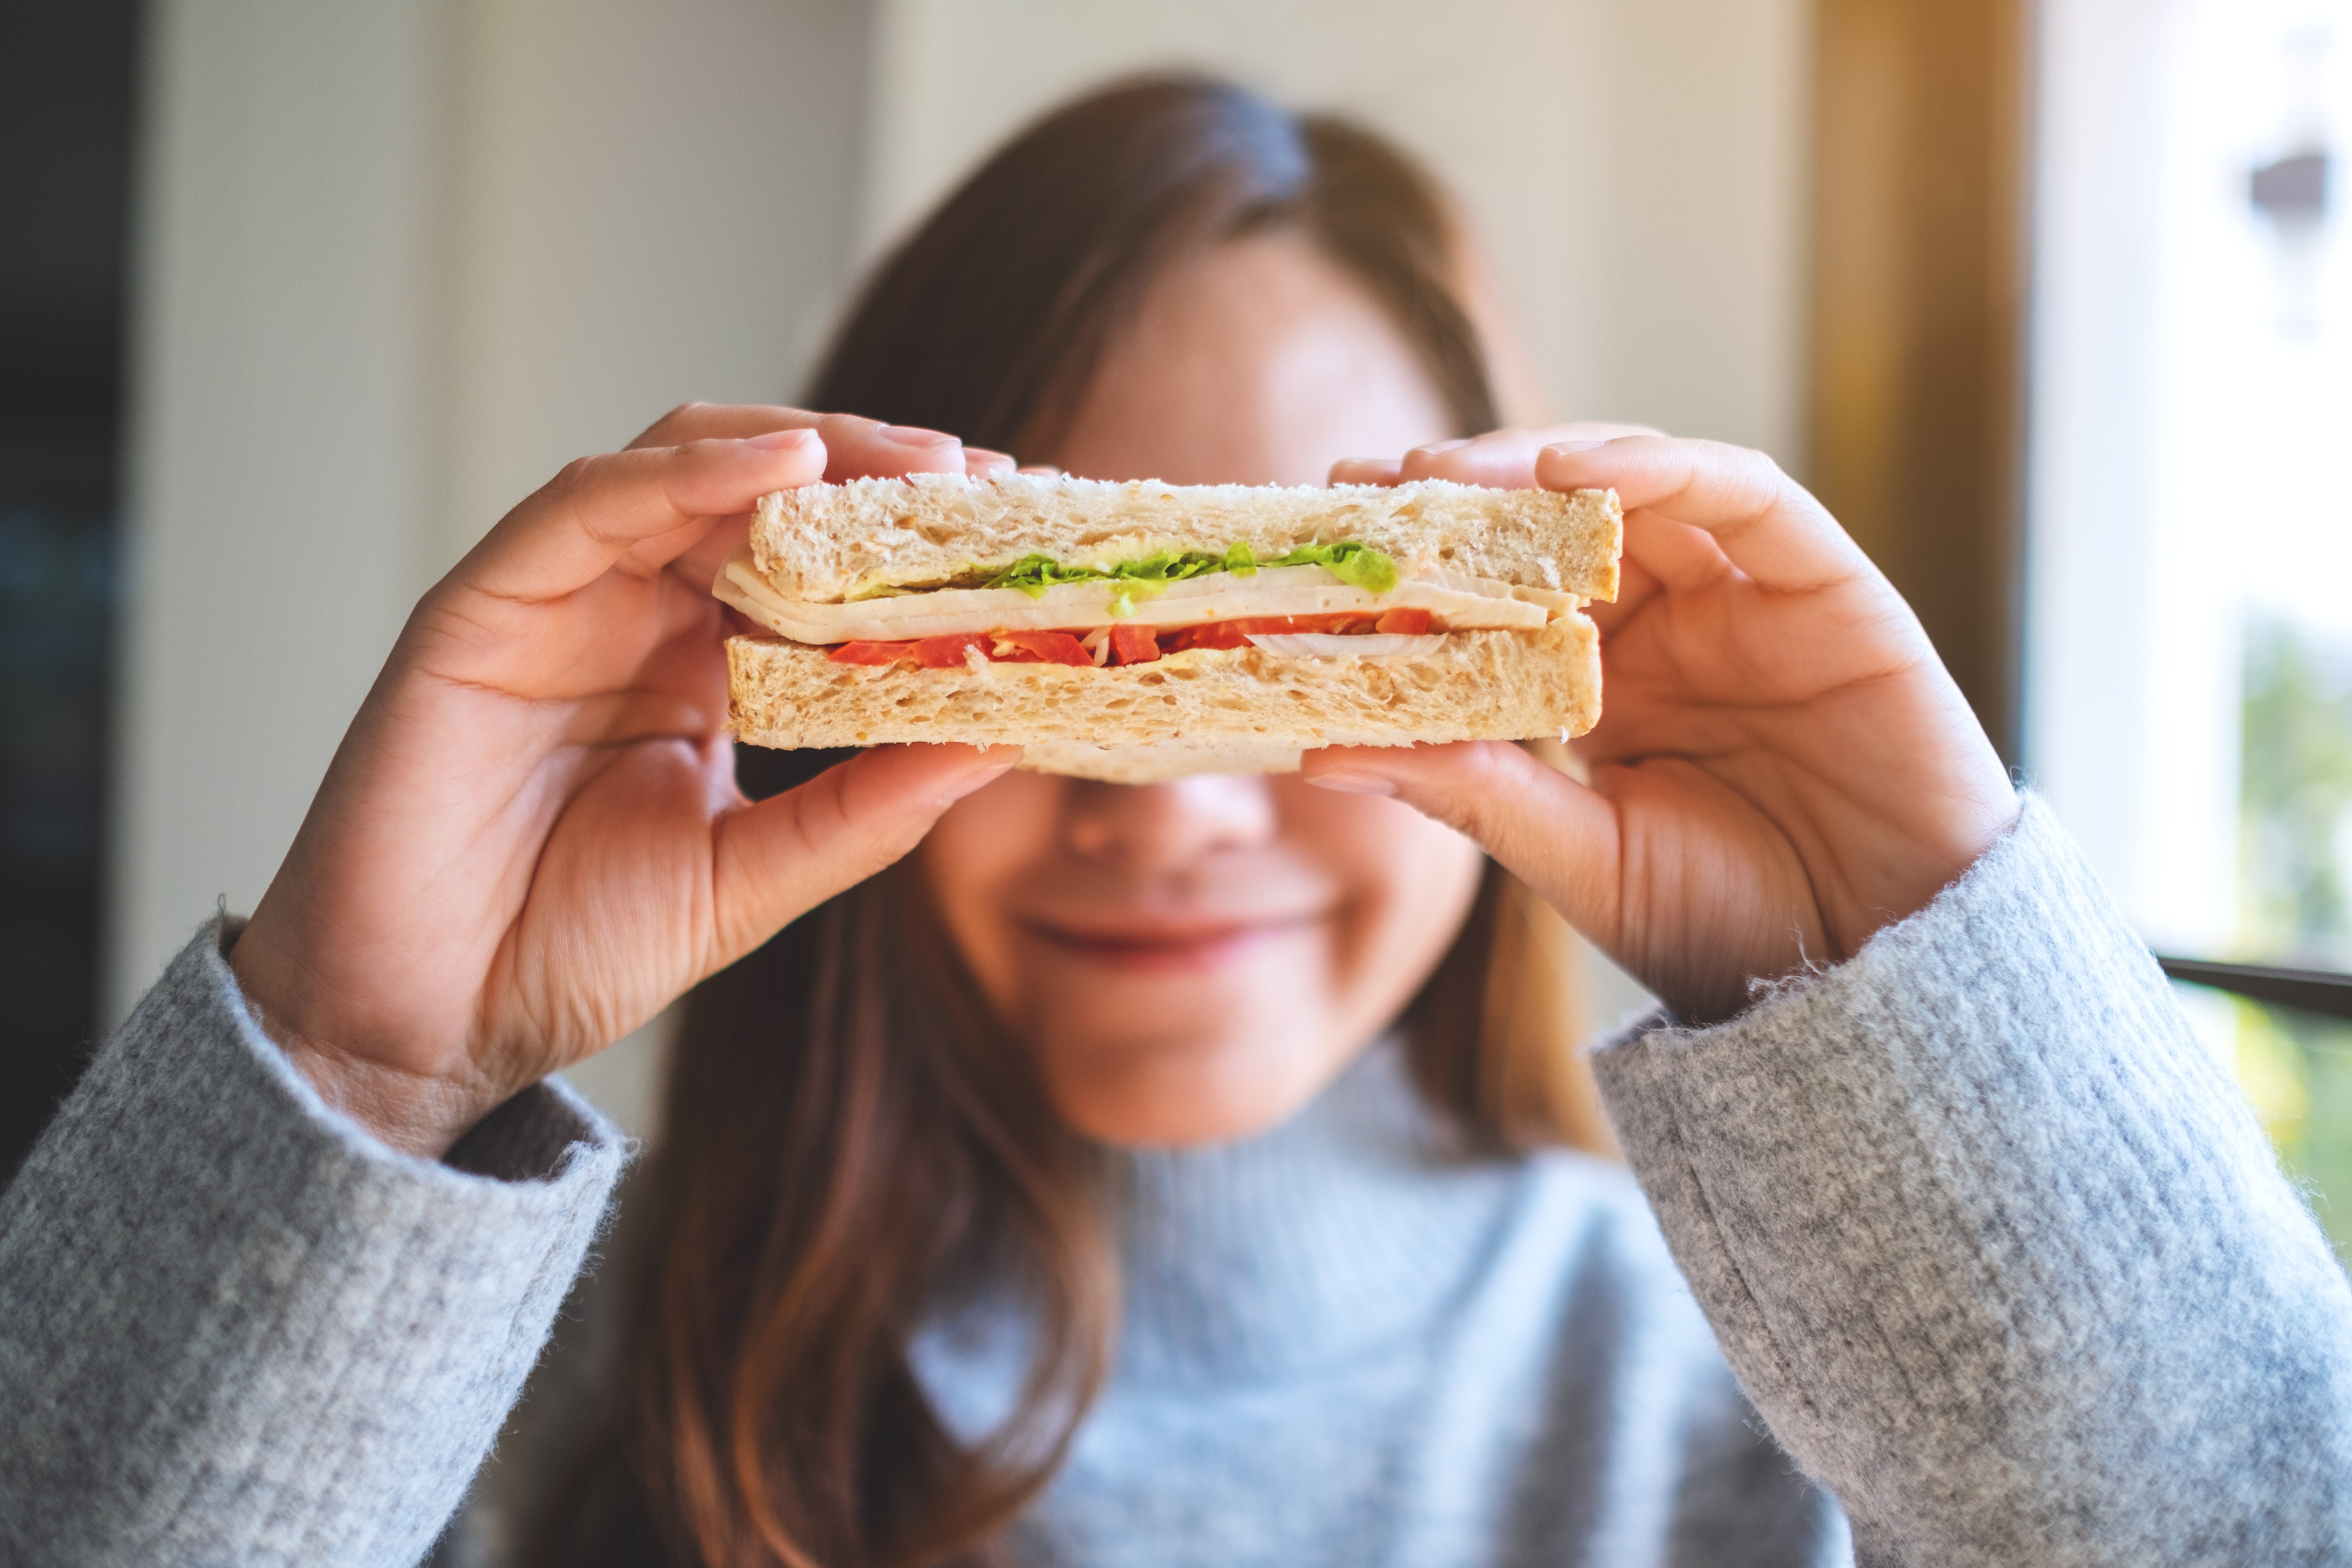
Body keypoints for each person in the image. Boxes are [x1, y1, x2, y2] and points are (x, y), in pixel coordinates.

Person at [2, 74, 2347, 1568]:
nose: (1180, 801)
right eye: (1046, 639)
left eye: (1303, 623)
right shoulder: (496, 1382)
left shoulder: (1777, 1394)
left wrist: (1948, 997)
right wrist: (363, 1072)